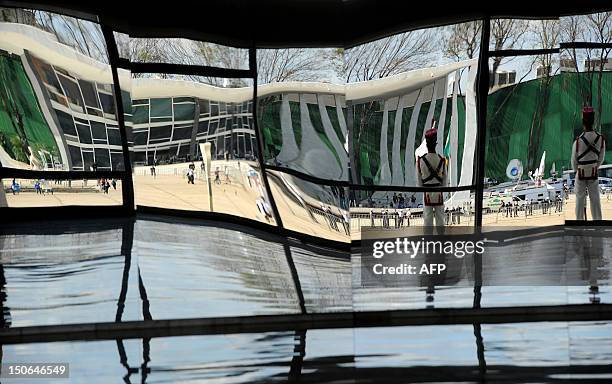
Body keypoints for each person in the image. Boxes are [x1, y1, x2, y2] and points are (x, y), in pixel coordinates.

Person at [572, 106, 606, 220]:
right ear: (593, 120)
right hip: (593, 172)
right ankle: (598, 223)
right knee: (595, 200)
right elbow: (601, 158)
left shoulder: (577, 141)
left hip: (580, 173)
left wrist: (579, 169)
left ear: (583, 122)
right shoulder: (600, 139)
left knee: (580, 200)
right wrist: (594, 166)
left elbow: (574, 162)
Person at [416, 127, 448, 228]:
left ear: (426, 144)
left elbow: (419, 183)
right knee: (440, 220)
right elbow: (445, 182)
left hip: (427, 194)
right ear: (435, 144)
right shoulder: (442, 160)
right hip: (439, 192)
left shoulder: (420, 161)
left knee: (427, 221)